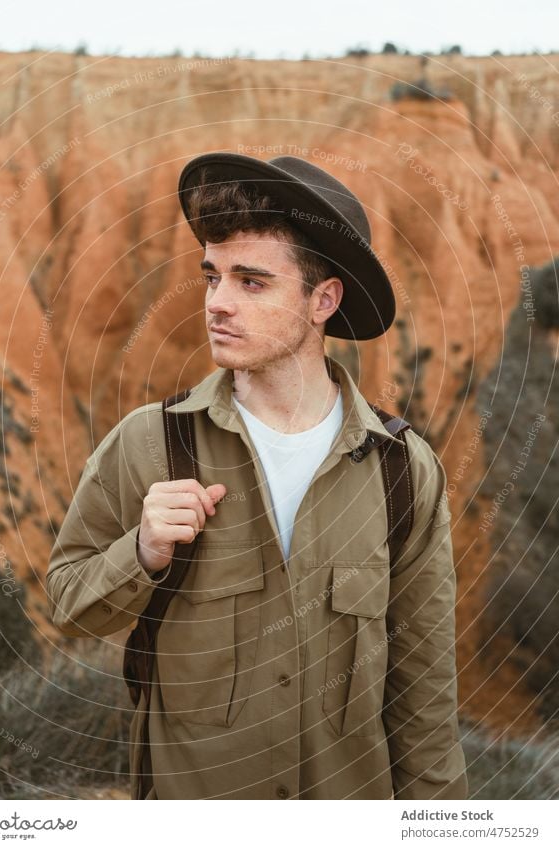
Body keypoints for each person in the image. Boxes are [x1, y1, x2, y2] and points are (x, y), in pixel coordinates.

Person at [46, 152, 468, 800]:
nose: (216, 303)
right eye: (211, 277)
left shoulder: (403, 473)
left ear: (322, 299)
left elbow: (425, 708)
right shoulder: (150, 443)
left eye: (251, 282)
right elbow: (67, 600)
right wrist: (142, 551)